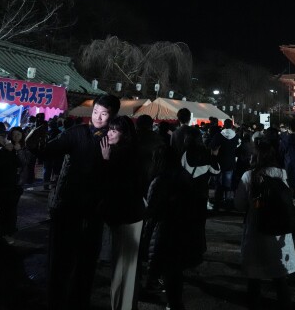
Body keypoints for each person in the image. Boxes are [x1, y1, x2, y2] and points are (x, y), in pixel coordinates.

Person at [39, 94, 121, 310]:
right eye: (95, 112)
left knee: (86, 263)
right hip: (67, 207)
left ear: (112, 116)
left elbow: (118, 178)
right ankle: (55, 301)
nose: (98, 117)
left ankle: (79, 301)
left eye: (104, 114)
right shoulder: (77, 133)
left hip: (94, 211)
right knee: (60, 261)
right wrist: (35, 140)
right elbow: (49, 149)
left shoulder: (117, 141)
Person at [234, 140, 295, 309]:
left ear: (255, 157)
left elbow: (239, 205)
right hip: (279, 231)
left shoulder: (249, 176)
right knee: (280, 278)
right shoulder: (281, 173)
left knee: (254, 278)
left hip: (256, 229)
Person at [144, 144, 205, 310]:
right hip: (184, 229)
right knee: (175, 272)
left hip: (165, 231)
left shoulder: (160, 180)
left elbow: (152, 210)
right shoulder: (185, 175)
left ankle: (174, 303)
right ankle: (174, 302)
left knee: (168, 270)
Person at [98, 115, 147, 310]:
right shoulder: (125, 152)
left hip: (128, 214)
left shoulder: (125, 155)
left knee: (123, 266)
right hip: (129, 214)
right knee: (125, 265)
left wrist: (106, 160)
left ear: (124, 134)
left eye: (114, 130)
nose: (109, 133)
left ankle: (121, 306)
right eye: (109, 129)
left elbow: (117, 186)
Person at [211, 118, 240, 210]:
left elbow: (212, 146)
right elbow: (237, 147)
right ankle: (227, 202)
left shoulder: (219, 135)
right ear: (232, 126)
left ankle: (217, 202)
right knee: (228, 183)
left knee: (218, 183)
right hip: (230, 162)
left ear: (223, 125)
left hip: (219, 162)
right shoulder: (236, 136)